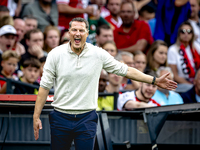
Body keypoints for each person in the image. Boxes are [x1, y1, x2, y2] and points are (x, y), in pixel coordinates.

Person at [33, 17, 177, 150]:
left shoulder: (98, 53)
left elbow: (125, 70)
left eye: (81, 30)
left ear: (87, 33)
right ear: (69, 32)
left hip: (86, 117)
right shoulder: (55, 54)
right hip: (60, 117)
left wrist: (154, 80)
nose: (78, 33)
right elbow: (44, 87)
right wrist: (36, 116)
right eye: (74, 30)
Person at [168, 21, 200, 87]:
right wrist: (192, 86)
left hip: (196, 81)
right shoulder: (173, 50)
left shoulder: (197, 47)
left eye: (189, 31)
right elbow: (175, 75)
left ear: (192, 34)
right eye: (183, 31)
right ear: (179, 33)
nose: (186, 34)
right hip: (181, 83)